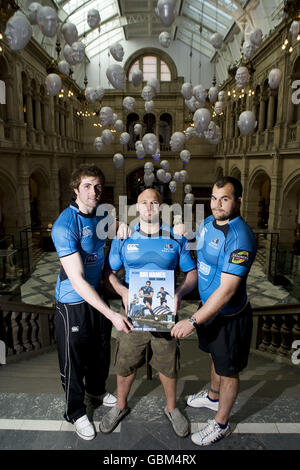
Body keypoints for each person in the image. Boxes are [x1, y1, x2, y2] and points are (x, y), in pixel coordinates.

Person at [99, 188, 197, 437]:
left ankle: (172, 408)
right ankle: (120, 406)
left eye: (155, 202)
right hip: (133, 314)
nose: (150, 207)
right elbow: (108, 273)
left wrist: (179, 293)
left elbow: (192, 274)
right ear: (137, 207)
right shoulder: (125, 236)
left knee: (167, 364)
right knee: (125, 363)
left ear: (162, 207)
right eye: (144, 202)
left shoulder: (175, 237)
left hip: (164, 313)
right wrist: (122, 290)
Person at [171, 176, 257, 446]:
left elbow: (228, 290)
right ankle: (212, 397)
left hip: (229, 316)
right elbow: (203, 244)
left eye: (225, 198)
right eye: (214, 198)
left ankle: (222, 423)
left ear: (238, 201)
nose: (217, 204)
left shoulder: (240, 237)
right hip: (208, 309)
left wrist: (193, 321)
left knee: (228, 369)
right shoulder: (209, 223)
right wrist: (186, 232)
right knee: (213, 357)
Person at [51, 164, 133, 441]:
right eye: (87, 186)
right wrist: (111, 314)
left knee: (100, 350)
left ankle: (96, 390)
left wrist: (122, 226)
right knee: (74, 360)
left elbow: (117, 226)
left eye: (97, 186)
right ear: (76, 189)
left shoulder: (102, 214)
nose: (94, 191)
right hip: (73, 300)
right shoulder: (65, 225)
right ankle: (74, 411)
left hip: (98, 293)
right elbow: (77, 280)